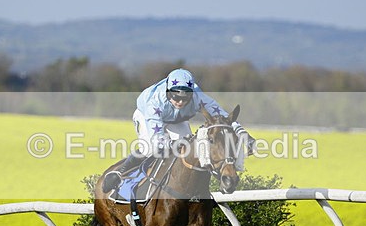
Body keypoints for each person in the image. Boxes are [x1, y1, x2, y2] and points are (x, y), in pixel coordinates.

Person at [102, 68, 255, 192]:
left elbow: (222, 117)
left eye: (185, 98)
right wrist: (171, 143)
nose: (180, 102)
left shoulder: (198, 96)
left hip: (177, 120)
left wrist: (243, 134)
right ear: (168, 92)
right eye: (176, 97)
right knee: (151, 149)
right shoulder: (154, 102)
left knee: (188, 152)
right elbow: (158, 140)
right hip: (148, 118)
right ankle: (120, 172)